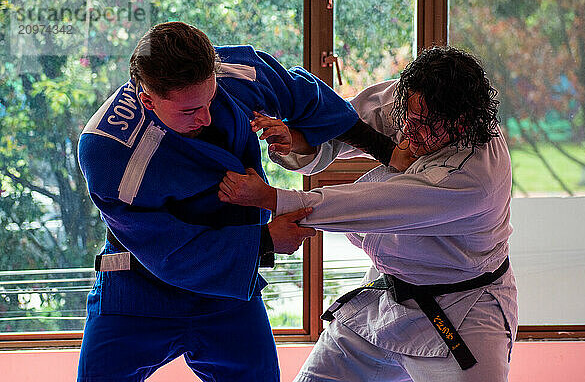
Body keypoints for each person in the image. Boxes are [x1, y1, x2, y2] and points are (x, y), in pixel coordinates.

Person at [76, 21, 361, 382]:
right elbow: (164, 247)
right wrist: (267, 240)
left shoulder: (229, 72)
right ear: (147, 99)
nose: (206, 116)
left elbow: (303, 95)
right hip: (137, 287)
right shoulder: (107, 149)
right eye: (188, 111)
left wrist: (383, 150)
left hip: (227, 289)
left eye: (209, 100)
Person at [218, 46, 518, 382]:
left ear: (461, 123)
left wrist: (273, 198)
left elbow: (372, 204)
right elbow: (345, 124)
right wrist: (297, 139)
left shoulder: (475, 177)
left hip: (462, 310)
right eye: (409, 117)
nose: (410, 130)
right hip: (385, 300)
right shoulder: (413, 102)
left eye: (426, 127)